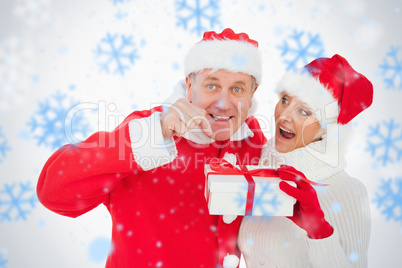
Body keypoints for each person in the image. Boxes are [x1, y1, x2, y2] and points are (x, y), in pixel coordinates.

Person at [36, 28, 266, 268]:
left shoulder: (253, 140)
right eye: (211, 86)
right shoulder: (148, 130)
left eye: (237, 89)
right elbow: (52, 191)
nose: (222, 103)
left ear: (252, 95)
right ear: (189, 87)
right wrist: (156, 132)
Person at [237, 54, 373, 267]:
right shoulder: (263, 165)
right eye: (285, 100)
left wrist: (319, 230)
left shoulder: (348, 191)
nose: (284, 116)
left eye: (304, 111)